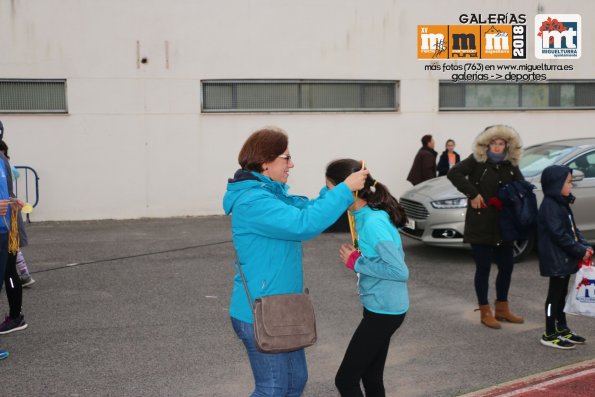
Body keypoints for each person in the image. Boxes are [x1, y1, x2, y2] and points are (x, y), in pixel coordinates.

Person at [223, 126, 368, 397]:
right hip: (261, 311)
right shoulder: (253, 201)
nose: (292, 164)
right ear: (265, 162)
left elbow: (307, 208)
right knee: (273, 388)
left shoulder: (272, 193)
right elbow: (304, 224)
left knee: (294, 381)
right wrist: (344, 191)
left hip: (283, 308)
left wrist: (333, 190)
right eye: (286, 158)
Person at [326, 159, 409, 397]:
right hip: (379, 306)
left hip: (385, 310)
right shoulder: (361, 212)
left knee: (346, 380)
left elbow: (400, 271)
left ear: (350, 189)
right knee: (371, 376)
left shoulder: (373, 222)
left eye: (334, 190)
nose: (332, 196)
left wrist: (356, 262)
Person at [447, 125, 525, 329]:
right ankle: (484, 310)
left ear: (507, 145)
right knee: (483, 269)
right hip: (481, 222)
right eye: (493, 143)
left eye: (501, 143)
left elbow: (520, 185)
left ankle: (502, 308)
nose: (497, 147)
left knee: (506, 267)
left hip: (504, 225)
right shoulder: (476, 161)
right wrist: (473, 194)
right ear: (486, 144)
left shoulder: (510, 164)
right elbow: (454, 173)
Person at [537, 165, 593, 349]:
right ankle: (549, 332)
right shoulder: (550, 206)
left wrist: (585, 246)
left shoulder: (562, 202)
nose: (571, 185)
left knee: (561, 296)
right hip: (556, 259)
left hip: (565, 258)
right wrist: (579, 251)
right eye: (568, 182)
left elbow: (573, 230)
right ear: (555, 184)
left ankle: (561, 328)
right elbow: (559, 235)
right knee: (554, 297)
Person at [0, 140, 35, 287]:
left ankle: (25, 276)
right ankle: (25, 275)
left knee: (10, 267)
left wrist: (12, 200)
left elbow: (9, 182)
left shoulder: (3, 162)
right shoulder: (5, 161)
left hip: (6, 226)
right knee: (11, 265)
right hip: (6, 226)